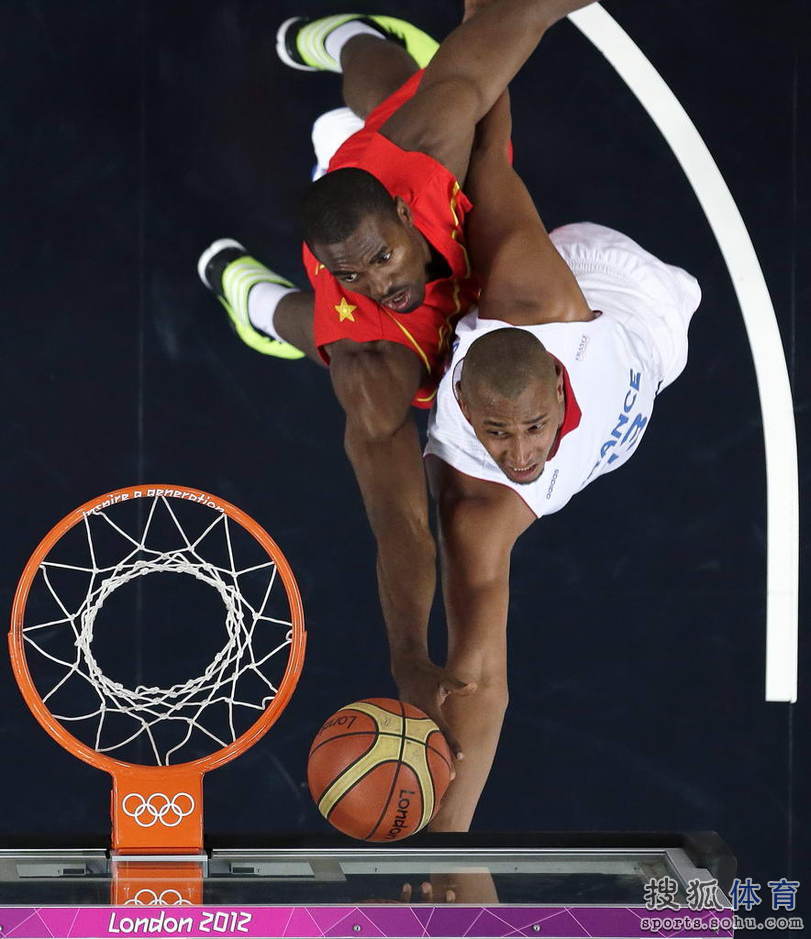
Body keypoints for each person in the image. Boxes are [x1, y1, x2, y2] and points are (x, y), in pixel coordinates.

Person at [198, 1, 594, 763]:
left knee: (405, 81)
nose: (377, 282)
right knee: (319, 334)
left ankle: (347, 36)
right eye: (353, 273)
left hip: (392, 150)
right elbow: (401, 523)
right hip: (378, 347)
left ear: (405, 222)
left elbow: (528, 17)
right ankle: (255, 300)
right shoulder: (368, 352)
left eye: (382, 259)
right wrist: (406, 653)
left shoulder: (427, 145)